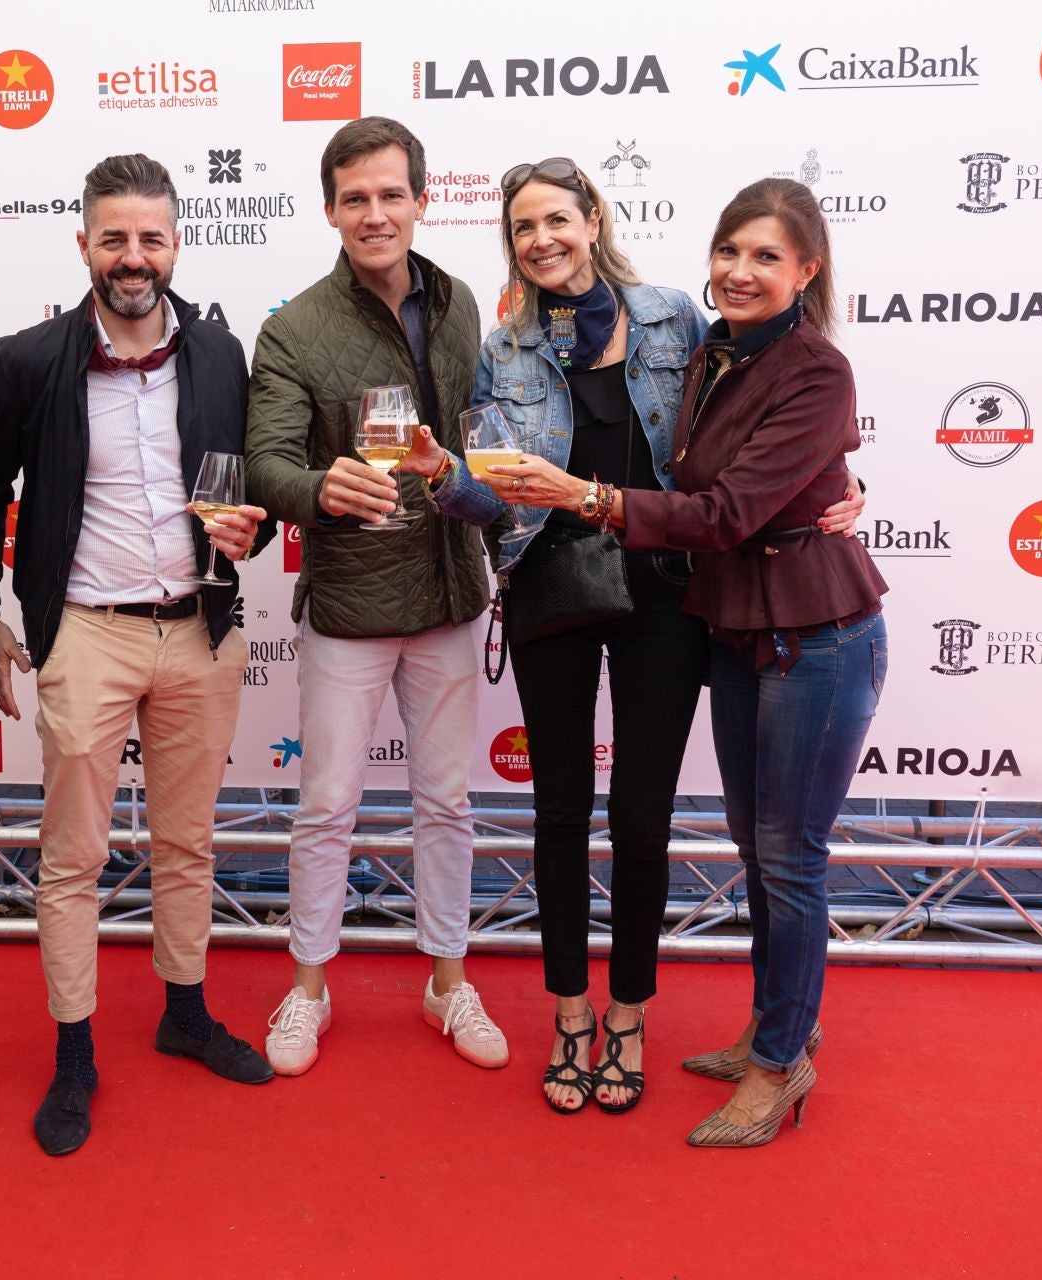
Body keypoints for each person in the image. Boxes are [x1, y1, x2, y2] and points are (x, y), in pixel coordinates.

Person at [427, 159, 864, 1116]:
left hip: (667, 589)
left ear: (593, 219)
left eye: (557, 220)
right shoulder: (503, 351)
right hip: (550, 586)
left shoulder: (676, 320)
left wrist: (840, 484)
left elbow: (750, 441)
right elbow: (489, 494)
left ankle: (629, 1013)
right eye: (523, 227)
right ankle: (570, 1012)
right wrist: (438, 477)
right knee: (557, 813)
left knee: (641, 815)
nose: (541, 239)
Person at [0, 153, 277, 1157]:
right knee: (73, 858)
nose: (133, 256)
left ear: (177, 241)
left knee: (188, 841)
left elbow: (254, 492)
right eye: (114, 238)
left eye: (151, 236)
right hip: (87, 632)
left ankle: (182, 1010)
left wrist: (254, 532)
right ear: (84, 245)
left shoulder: (224, 353)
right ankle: (73, 1050)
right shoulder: (28, 359)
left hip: (200, 627)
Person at [245, 116, 506, 1077]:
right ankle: (308, 990)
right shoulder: (293, 327)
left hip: (448, 593)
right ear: (329, 210)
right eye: (355, 198)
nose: (374, 213)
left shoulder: (464, 300)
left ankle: (447, 983)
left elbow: (483, 441)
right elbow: (267, 462)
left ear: (422, 200)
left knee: (446, 803)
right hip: (351, 608)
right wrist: (317, 489)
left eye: (391, 194)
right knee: (327, 808)